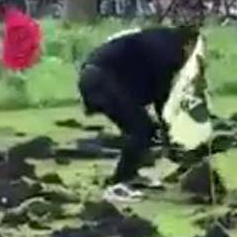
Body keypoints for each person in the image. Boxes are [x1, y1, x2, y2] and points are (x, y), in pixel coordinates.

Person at [77, 25, 201, 183]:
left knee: (141, 129)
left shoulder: (161, 39)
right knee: (141, 130)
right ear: (189, 44)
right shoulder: (170, 52)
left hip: (96, 78)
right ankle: (122, 179)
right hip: (102, 80)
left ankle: (129, 174)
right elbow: (162, 96)